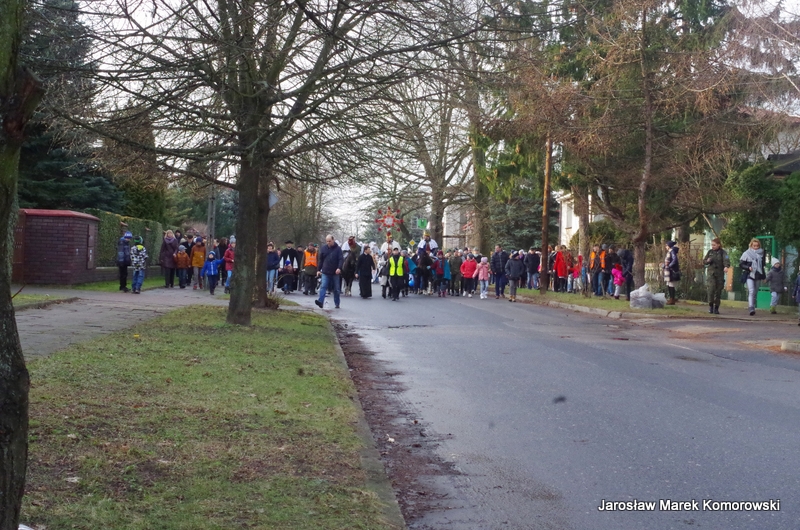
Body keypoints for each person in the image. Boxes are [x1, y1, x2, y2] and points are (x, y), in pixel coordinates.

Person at [315, 235, 344, 309]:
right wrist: (318, 270)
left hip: (335, 272)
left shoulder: (338, 249)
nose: (328, 243)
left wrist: (339, 268)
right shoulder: (323, 248)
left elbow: (341, 259)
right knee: (323, 286)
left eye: (329, 241)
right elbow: (321, 260)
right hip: (325, 271)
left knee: (336, 289)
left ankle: (337, 303)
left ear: (333, 240)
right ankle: (320, 301)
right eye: (327, 241)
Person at [703, 238, 729, 314]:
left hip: (719, 274)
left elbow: (726, 260)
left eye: (714, 245)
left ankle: (716, 307)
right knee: (711, 289)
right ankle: (710, 305)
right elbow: (704, 261)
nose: (713, 246)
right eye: (712, 245)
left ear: (718, 245)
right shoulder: (710, 252)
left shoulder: (723, 253)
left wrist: (726, 266)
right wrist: (707, 261)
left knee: (718, 291)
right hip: (711, 274)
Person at [739, 238, 764, 316]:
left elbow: (762, 266)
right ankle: (751, 307)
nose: (756, 247)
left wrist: (764, 276)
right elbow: (741, 264)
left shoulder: (762, 253)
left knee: (755, 292)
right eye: (754, 246)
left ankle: (753, 305)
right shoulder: (746, 253)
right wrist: (748, 267)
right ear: (751, 245)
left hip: (758, 274)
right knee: (751, 291)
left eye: (757, 246)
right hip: (749, 274)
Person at [663, 241, 680, 305]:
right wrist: (664, 266)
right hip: (669, 271)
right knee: (669, 285)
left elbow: (674, 260)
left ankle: (672, 299)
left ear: (669, 246)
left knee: (671, 285)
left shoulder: (672, 251)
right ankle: (671, 298)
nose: (665, 247)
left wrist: (669, 266)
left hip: (671, 272)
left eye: (666, 245)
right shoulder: (670, 252)